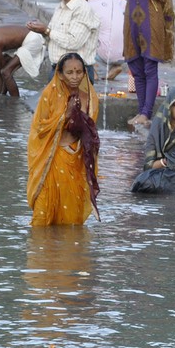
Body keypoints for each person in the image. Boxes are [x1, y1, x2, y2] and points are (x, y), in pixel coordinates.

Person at [27, 53, 101, 227]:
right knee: (42, 216)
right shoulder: (49, 95)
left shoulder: (89, 97)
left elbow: (90, 132)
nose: (75, 77)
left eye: (79, 72)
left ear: (84, 73)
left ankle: (69, 251)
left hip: (76, 160)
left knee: (71, 221)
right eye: (69, 72)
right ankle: (41, 252)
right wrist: (65, 116)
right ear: (59, 74)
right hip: (50, 161)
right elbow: (40, 129)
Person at [116, 0, 175, 127]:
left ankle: (146, 113)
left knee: (149, 67)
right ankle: (141, 111)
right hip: (131, 24)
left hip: (151, 22)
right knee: (136, 68)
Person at [26, 0, 100, 84]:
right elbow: (53, 37)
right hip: (57, 69)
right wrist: (42, 31)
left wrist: (47, 30)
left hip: (76, 74)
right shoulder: (60, 7)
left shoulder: (83, 9)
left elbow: (74, 42)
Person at [82, 0, 127, 82]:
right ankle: (115, 66)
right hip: (126, 54)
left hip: (105, 55)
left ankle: (92, 73)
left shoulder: (86, 6)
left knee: (78, 39)